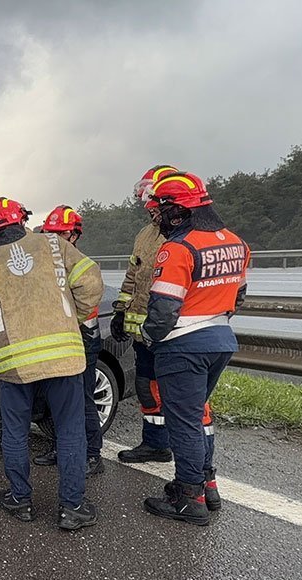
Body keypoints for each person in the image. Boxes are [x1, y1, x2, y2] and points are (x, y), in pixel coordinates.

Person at [0, 197, 103, 531]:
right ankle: (72, 508)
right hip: (64, 358)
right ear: (21, 221)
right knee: (70, 432)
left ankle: (20, 500)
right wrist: (74, 316)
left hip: (14, 362)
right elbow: (91, 282)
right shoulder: (53, 244)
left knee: (15, 433)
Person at [139, 172, 248, 525]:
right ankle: (207, 484)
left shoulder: (178, 249)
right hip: (221, 340)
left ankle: (189, 498)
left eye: (160, 211)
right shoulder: (236, 243)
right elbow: (239, 296)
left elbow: (163, 310)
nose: (157, 219)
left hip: (183, 347)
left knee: (183, 423)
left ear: (176, 212)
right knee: (198, 415)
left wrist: (149, 336)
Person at [111, 165, 180, 464]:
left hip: (173, 333)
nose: (148, 208)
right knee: (146, 388)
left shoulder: (184, 235)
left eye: (152, 201)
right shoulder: (145, 235)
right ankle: (155, 444)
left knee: (178, 394)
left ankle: (190, 456)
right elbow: (133, 276)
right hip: (144, 334)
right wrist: (120, 312)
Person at [32, 206, 104, 476]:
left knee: (82, 398)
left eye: (60, 235)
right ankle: (60, 447)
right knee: (55, 397)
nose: (53, 240)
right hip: (57, 339)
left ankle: (93, 455)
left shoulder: (81, 264)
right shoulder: (46, 263)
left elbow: (86, 305)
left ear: (74, 236)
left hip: (83, 338)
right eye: (49, 234)